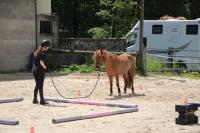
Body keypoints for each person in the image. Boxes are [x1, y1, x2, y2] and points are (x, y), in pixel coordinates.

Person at [32, 40, 50, 105]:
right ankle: (42, 100)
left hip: (34, 70)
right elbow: (41, 62)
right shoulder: (43, 53)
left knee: (37, 84)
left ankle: (34, 99)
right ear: (45, 47)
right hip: (40, 71)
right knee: (40, 85)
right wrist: (46, 68)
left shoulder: (37, 52)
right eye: (47, 46)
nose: (48, 48)